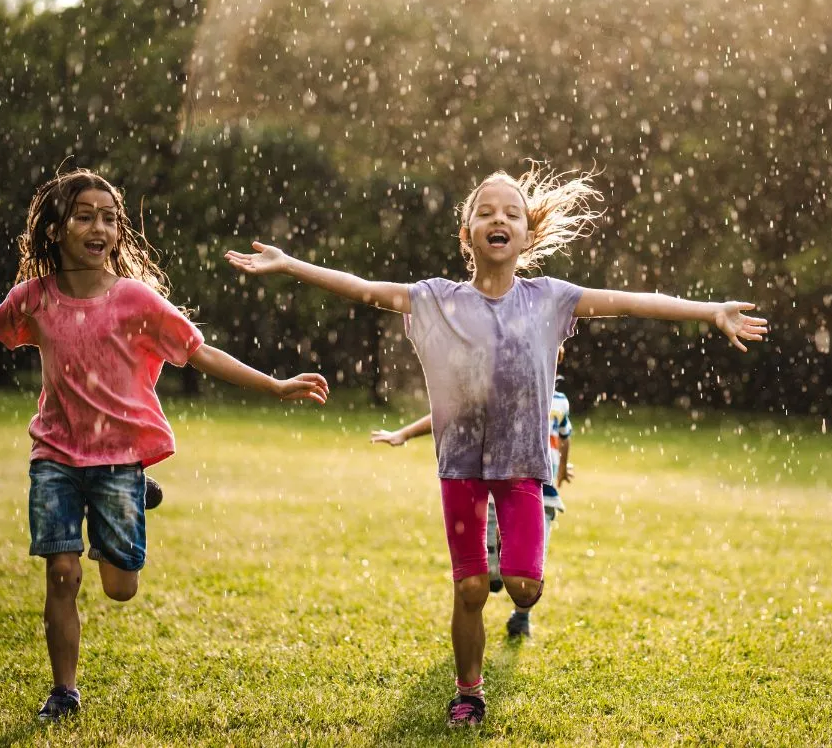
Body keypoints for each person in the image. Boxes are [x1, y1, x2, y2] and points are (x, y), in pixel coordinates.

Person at [226, 163, 766, 727]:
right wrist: (289, 264)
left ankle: (513, 578)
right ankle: (469, 692)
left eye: (511, 213)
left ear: (527, 236)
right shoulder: (437, 299)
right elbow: (363, 289)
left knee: (526, 589)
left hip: (522, 471)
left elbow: (631, 301)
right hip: (459, 467)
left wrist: (709, 311)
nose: (498, 219)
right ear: (467, 236)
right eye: (485, 212)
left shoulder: (551, 300)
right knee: (470, 590)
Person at [0, 168, 329, 722]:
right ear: (56, 229)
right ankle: (64, 691)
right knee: (61, 573)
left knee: (120, 588)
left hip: (118, 459)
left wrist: (276, 385)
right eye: (85, 216)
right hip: (56, 456)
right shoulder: (35, 299)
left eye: (110, 218)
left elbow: (200, 351)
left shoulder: (135, 300)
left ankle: (136, 493)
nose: (100, 227)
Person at [370, 347, 575, 640]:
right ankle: (495, 569)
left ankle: (521, 617)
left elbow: (564, 437)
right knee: (491, 574)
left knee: (531, 570)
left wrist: (563, 468)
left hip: (546, 495)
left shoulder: (559, 402)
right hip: (500, 490)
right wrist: (404, 433)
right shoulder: (502, 393)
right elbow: (450, 412)